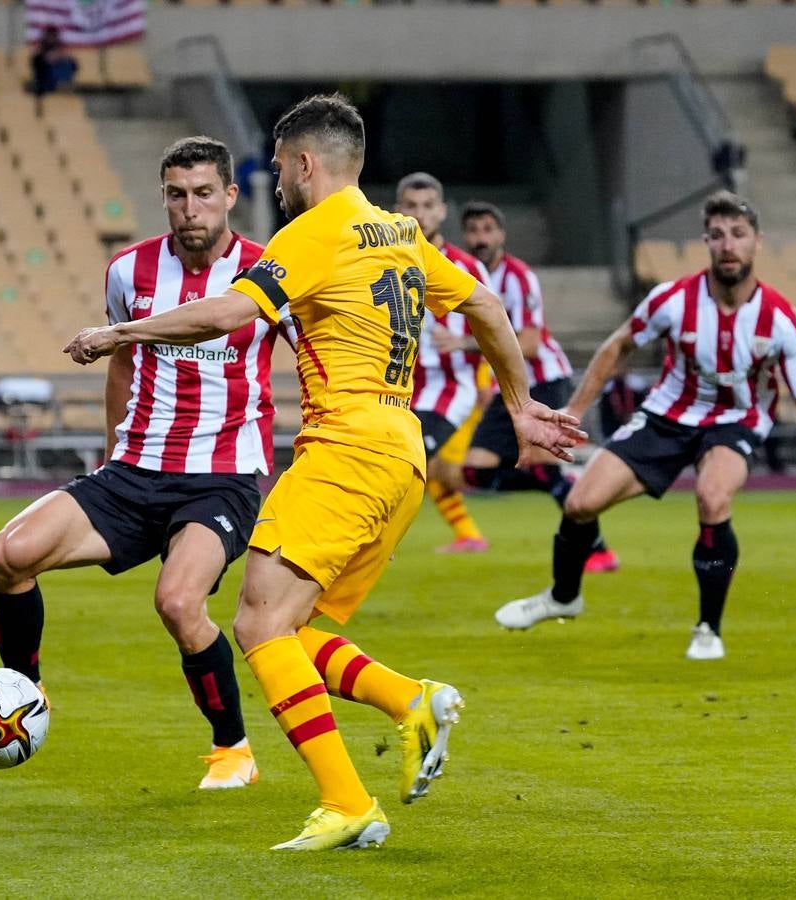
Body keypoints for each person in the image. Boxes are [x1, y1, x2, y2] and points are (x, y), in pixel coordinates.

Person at [63, 94, 585, 851]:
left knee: (255, 622)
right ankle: (411, 700)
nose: (275, 179)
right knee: (291, 629)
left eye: (277, 166)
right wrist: (521, 400)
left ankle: (347, 800)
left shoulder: (314, 232)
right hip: (400, 456)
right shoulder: (399, 232)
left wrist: (122, 332)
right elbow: (485, 306)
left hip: (344, 451)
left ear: (305, 163)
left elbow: (226, 315)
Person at [0, 137, 286, 792]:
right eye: (177, 195)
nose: (190, 209)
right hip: (135, 470)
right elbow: (123, 366)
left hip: (224, 475)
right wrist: (111, 454)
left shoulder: (270, 272)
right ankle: (24, 694)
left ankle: (232, 747)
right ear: (163, 199)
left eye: (204, 193)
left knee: (179, 602)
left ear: (230, 197)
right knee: (5, 556)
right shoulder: (129, 271)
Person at [495, 192, 796, 657]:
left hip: (736, 421)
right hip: (667, 416)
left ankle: (708, 629)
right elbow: (616, 346)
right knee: (578, 504)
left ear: (756, 242)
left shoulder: (780, 321)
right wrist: (570, 413)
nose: (728, 245)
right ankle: (563, 597)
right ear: (706, 242)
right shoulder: (673, 300)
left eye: (738, 234)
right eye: (717, 235)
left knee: (713, 497)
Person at [459, 200, 619, 572]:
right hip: (510, 388)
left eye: (487, 229)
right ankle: (563, 482)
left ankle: (599, 551)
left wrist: (466, 346)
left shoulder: (519, 277)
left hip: (544, 380)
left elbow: (529, 343)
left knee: (540, 466)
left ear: (501, 235)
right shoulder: (469, 277)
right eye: (473, 231)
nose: (480, 238)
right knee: (475, 470)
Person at [393, 171, 492, 553]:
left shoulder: (466, 266)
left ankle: (370, 544)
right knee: (416, 467)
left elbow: (499, 330)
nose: (420, 214)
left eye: (428, 206)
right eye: (412, 206)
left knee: (406, 465)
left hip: (450, 389)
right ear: (398, 210)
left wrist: (464, 341)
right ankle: (468, 535)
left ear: (442, 211)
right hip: (398, 387)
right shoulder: (385, 260)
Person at [30, 26, 78, 97]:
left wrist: (61, 56)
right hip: (45, 83)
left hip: (60, 79)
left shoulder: (62, 52)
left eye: (53, 35)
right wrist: (47, 58)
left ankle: (63, 84)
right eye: (49, 35)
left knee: (68, 64)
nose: (51, 38)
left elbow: (75, 66)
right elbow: (36, 64)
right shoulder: (39, 53)